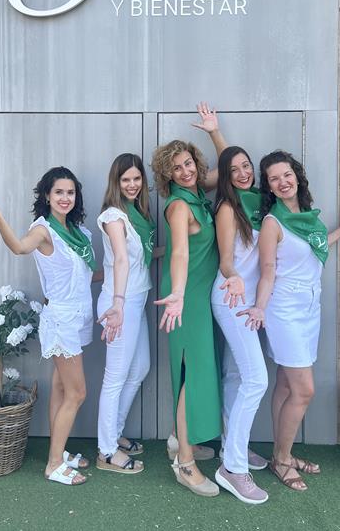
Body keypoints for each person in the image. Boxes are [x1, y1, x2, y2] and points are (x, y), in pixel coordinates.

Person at [0, 166, 97, 486]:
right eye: (58, 192)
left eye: (70, 192)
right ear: (47, 196)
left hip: (79, 315)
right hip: (62, 319)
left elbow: (84, 275)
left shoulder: (78, 232)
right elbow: (20, 248)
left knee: (62, 388)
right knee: (77, 393)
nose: (65, 198)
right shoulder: (43, 229)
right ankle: (54, 465)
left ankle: (58, 452)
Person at [239, 151, 340, 491]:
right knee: (304, 390)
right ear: (269, 186)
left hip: (310, 308)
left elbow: (316, 245)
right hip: (284, 310)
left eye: (287, 174)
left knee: (285, 384)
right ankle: (281, 460)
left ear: (297, 176)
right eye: (274, 178)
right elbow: (267, 271)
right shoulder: (272, 223)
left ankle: (283, 453)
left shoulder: (306, 216)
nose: (283, 182)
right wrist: (260, 308)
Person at [152, 104, 226, 497]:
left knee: (196, 371)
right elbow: (179, 251)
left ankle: (179, 438)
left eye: (188, 163)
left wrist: (214, 132)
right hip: (185, 297)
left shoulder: (198, 193)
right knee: (190, 375)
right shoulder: (180, 205)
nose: (185, 171)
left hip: (196, 295)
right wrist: (178, 294)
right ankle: (184, 463)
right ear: (167, 176)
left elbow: (229, 169)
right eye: (176, 168)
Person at [210, 146, 269, 504]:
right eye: (235, 170)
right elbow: (226, 260)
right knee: (256, 380)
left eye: (247, 166)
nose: (244, 173)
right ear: (226, 177)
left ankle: (233, 445)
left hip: (248, 302)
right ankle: (232, 467)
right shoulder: (228, 208)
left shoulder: (259, 203)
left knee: (236, 376)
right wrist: (234, 278)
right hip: (231, 299)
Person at [95, 153, 156, 474]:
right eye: (125, 180)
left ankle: (114, 433)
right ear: (116, 183)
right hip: (119, 304)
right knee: (115, 378)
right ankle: (106, 451)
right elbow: (120, 259)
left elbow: (140, 257)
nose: (132, 185)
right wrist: (117, 304)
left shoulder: (139, 215)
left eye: (136, 178)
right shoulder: (114, 216)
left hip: (135, 301)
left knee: (139, 368)